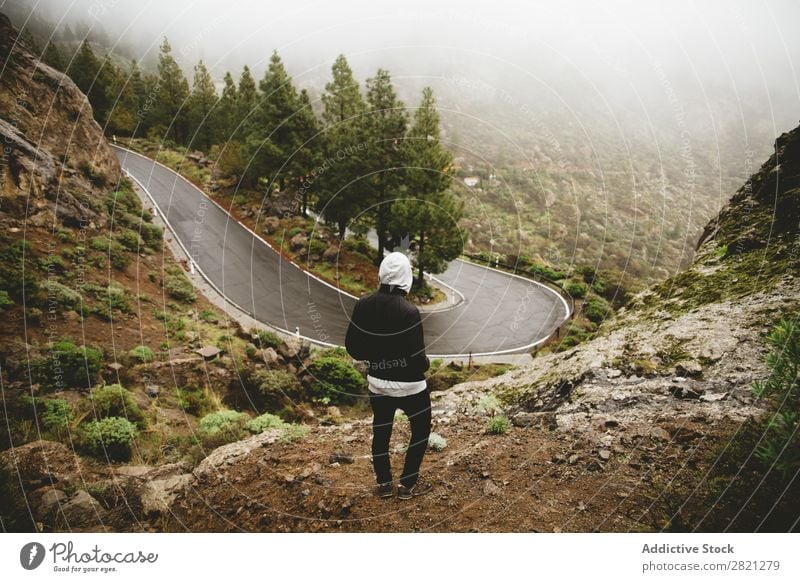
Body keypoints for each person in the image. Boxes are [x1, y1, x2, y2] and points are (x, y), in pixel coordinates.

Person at [345, 252, 433, 500]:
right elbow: (418, 360)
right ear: (407, 278)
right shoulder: (409, 311)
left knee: (381, 431)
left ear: (382, 274)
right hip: (411, 388)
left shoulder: (363, 305)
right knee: (421, 430)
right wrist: (425, 363)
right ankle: (407, 485)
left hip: (378, 384)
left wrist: (377, 357)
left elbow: (354, 348)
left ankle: (384, 483)